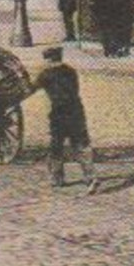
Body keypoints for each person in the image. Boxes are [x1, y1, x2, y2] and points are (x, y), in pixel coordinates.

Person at [37, 47, 97, 194]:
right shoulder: (71, 71)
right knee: (81, 144)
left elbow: (31, 88)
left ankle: (57, 178)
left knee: (56, 145)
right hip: (76, 112)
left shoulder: (46, 75)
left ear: (49, 60)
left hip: (59, 113)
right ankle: (90, 176)